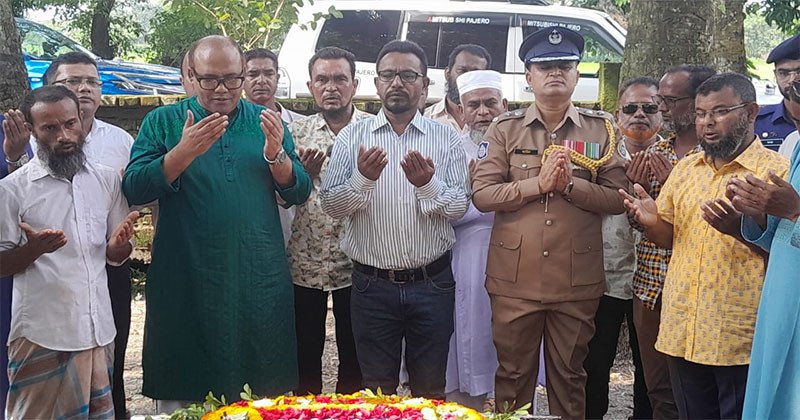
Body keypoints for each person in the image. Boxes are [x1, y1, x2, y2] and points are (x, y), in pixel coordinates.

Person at [122, 36, 312, 411]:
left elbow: (299, 190)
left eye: (232, 79)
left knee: (262, 387)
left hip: (256, 275)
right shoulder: (163, 121)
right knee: (187, 379)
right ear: (191, 75)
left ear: (243, 74)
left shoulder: (263, 121)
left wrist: (277, 156)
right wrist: (182, 153)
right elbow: (135, 187)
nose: (222, 89)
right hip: (187, 275)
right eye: (210, 79)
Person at [471, 26, 629, 419]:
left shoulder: (601, 128)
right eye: (544, 66)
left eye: (564, 65)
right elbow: (483, 195)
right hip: (514, 279)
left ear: (577, 74)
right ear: (529, 77)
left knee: (570, 377)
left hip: (575, 280)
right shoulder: (505, 128)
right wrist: (536, 185)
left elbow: (617, 199)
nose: (555, 72)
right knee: (512, 376)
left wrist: (570, 186)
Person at [620, 73, 788, 420]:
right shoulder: (685, 170)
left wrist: (741, 230)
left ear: (751, 112)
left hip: (740, 337)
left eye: (720, 112)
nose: (707, 123)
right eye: (700, 114)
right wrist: (651, 221)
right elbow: (669, 238)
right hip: (683, 329)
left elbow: (788, 255)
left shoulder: (776, 174)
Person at [320, 40, 470, 399]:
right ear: (377, 84)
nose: (397, 83)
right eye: (388, 75)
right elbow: (331, 205)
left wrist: (428, 185)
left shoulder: (445, 138)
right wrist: (362, 180)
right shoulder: (352, 137)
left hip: (432, 283)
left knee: (430, 388)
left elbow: (458, 207)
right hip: (372, 287)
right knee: (376, 391)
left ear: (425, 84)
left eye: (408, 75)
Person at [4, 51, 138, 419]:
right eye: (50, 128)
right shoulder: (13, 189)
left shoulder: (106, 179)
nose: (64, 135)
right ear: (32, 132)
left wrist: (119, 246)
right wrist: (31, 251)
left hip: (98, 330)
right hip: (41, 335)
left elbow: (114, 256)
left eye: (70, 124)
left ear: (81, 120)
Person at [631, 64, 715, 419]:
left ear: (699, 101)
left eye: (670, 100)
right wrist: (634, 198)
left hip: (700, 290)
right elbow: (640, 225)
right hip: (651, 288)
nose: (661, 108)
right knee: (659, 390)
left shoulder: (717, 157)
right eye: (659, 100)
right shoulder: (656, 153)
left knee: (700, 391)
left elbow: (713, 226)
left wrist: (675, 188)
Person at [286, 46, 369, 395]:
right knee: (304, 356)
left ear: (355, 84)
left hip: (358, 261)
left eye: (339, 79)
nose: (331, 87)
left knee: (356, 358)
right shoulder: (295, 134)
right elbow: (283, 195)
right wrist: (302, 176)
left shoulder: (373, 132)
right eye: (322, 80)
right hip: (306, 261)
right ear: (311, 86)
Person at [584, 77, 662, 420]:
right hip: (604, 274)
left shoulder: (677, 159)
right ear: (617, 115)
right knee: (595, 361)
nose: (639, 115)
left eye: (649, 108)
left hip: (656, 281)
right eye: (631, 108)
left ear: (662, 113)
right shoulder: (599, 155)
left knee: (651, 365)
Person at [729, 98, 800, 420]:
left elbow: (793, 214)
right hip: (781, 303)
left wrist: (794, 211)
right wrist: (757, 213)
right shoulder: (796, 146)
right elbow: (783, 239)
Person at [445, 69, 507, 410]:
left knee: (515, 350)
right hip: (465, 259)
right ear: (461, 110)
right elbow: (441, 211)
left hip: (516, 258)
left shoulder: (522, 145)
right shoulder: (451, 150)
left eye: (490, 103)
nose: (483, 112)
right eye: (474, 105)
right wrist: (470, 193)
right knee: (467, 340)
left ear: (504, 105)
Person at [243, 48, 304, 247]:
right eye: (253, 74)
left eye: (268, 73)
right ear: (242, 79)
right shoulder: (229, 128)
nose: (261, 80)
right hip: (249, 232)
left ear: (277, 78)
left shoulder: (301, 126)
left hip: (297, 235)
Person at [424, 44, 491, 135]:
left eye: (475, 74)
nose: (467, 79)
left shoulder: (496, 124)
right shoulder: (425, 119)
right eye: (462, 71)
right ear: (447, 74)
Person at [755, 33, 800, 151]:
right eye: (784, 73)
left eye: (799, 71)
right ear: (775, 75)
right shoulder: (757, 123)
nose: (792, 80)